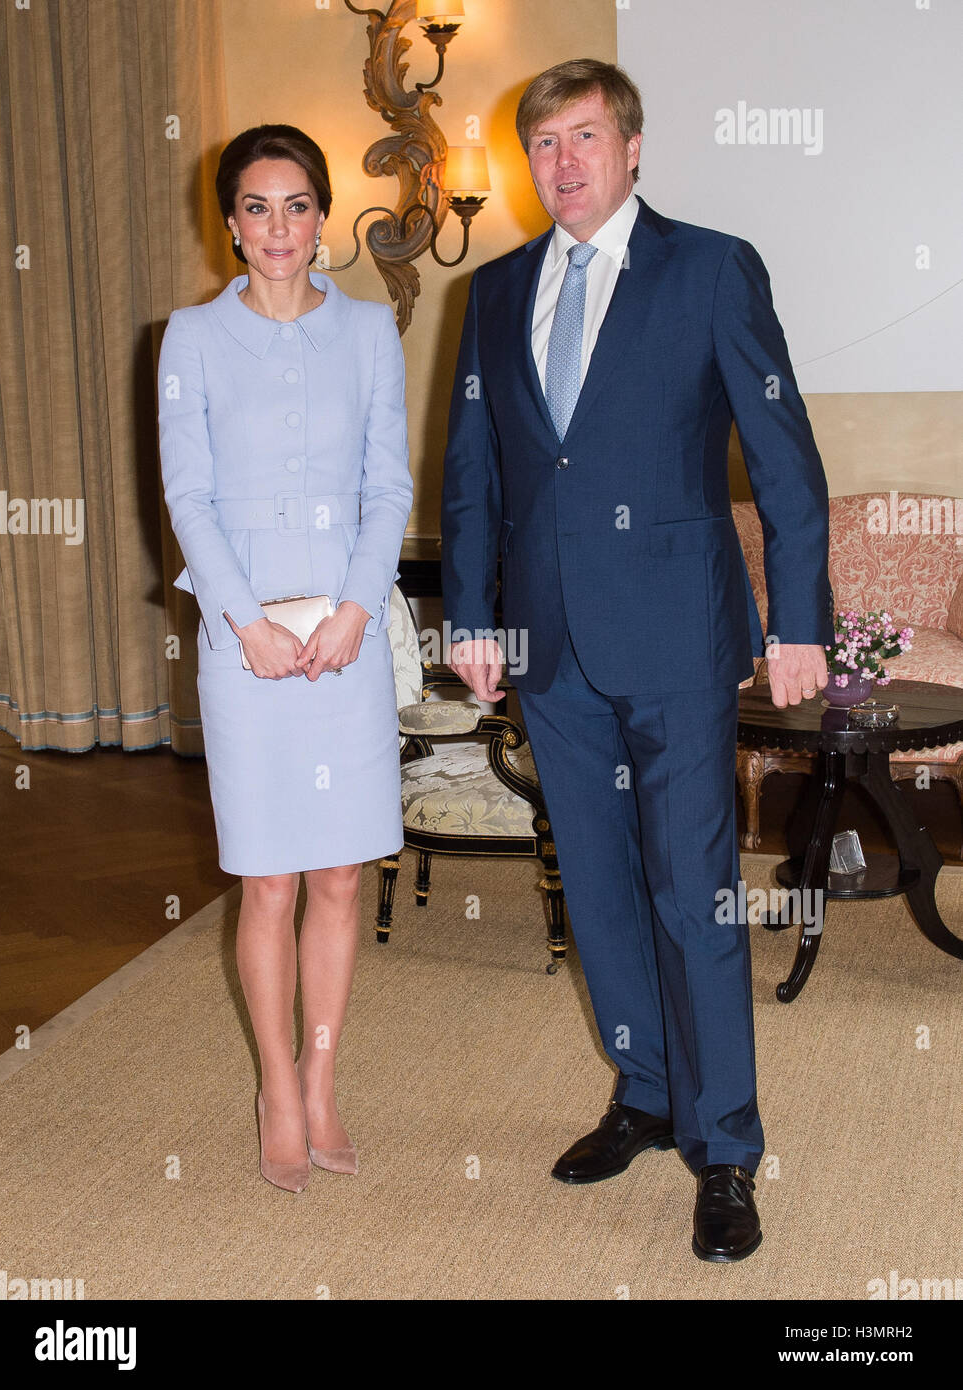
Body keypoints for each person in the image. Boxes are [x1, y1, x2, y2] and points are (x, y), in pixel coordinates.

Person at [440, 60, 831, 1261]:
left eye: (585, 136)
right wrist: (472, 617)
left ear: (633, 145)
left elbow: (785, 457)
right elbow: (473, 470)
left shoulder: (711, 268)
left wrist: (800, 624)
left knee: (692, 889)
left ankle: (727, 1144)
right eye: (543, 143)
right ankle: (647, 1089)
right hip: (547, 644)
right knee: (599, 887)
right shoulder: (494, 291)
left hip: (674, 639)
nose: (563, 162)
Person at [158, 125, 412, 1192]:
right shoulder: (189, 339)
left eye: (297, 205)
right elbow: (189, 497)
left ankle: (320, 1079)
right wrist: (245, 622)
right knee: (268, 881)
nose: (278, 227)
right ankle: (274, 1083)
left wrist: (357, 609)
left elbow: (388, 487)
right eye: (257, 207)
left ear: (321, 219)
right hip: (246, 644)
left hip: (346, 641)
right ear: (230, 222)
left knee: (340, 876)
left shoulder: (368, 332)